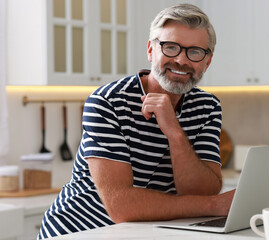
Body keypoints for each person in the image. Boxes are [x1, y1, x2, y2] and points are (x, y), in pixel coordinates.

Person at [38, 4, 234, 239]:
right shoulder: (107, 102)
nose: (181, 60)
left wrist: (173, 131)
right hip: (78, 231)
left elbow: (203, 191)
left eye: (194, 52)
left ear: (207, 60)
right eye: (170, 47)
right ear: (151, 50)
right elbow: (123, 207)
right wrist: (214, 206)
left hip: (141, 232)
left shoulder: (208, 106)